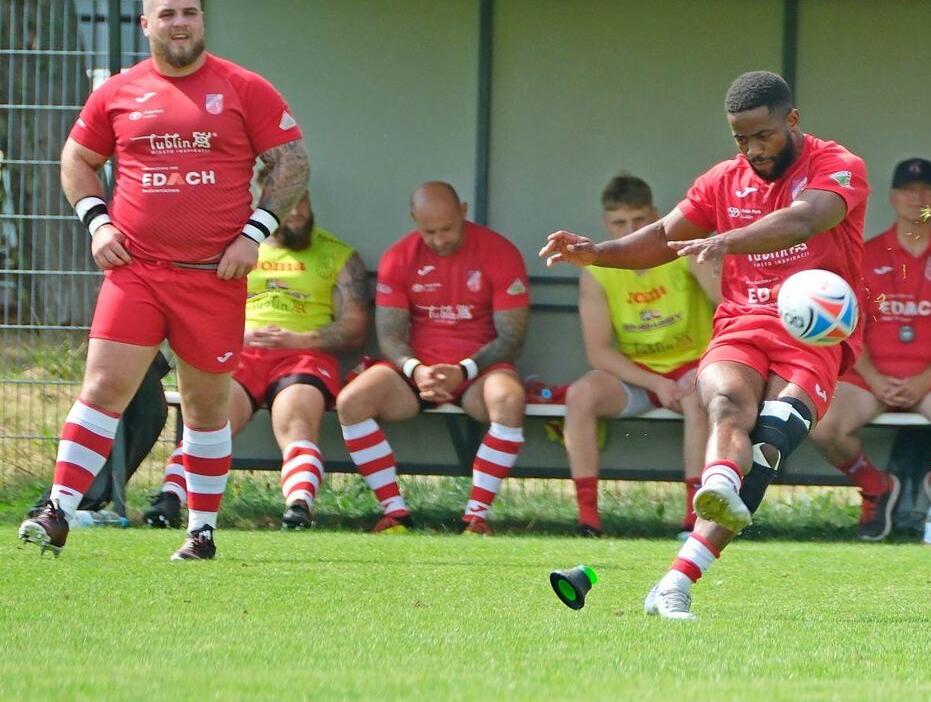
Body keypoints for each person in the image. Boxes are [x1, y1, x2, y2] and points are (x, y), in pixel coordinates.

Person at [542, 71, 869, 620]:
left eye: (762, 136)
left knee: (772, 440)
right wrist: (597, 252)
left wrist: (725, 240)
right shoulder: (723, 180)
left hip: (813, 336)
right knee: (724, 403)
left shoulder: (838, 165)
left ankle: (676, 577)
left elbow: (806, 219)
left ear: (792, 121)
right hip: (742, 321)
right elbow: (663, 236)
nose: (751, 150)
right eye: (739, 139)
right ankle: (710, 502)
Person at [18, 0, 309, 560]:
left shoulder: (244, 87)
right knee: (102, 388)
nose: (182, 23)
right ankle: (57, 510)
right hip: (139, 271)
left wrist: (254, 234)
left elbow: (293, 164)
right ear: (146, 26)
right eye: (169, 14)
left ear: (203, 21)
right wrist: (98, 222)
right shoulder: (120, 92)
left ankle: (200, 532)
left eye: (191, 14)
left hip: (214, 277)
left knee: (203, 406)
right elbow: (77, 158)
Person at [144, 193, 369, 531]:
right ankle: (169, 498)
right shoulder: (239, 248)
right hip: (242, 351)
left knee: (295, 420)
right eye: (286, 205)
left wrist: (300, 339)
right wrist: (237, 334)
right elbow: (201, 305)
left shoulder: (337, 254)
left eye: (303, 202)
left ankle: (298, 505)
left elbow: (355, 327)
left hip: (303, 354)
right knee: (211, 419)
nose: (296, 213)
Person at [335, 182, 530, 535]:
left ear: (464, 211)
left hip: (479, 371)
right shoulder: (399, 256)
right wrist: (418, 370)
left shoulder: (500, 252)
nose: (439, 240)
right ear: (414, 220)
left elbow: (513, 338)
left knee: (510, 400)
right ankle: (395, 513)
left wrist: (463, 370)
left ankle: (475, 517)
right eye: (429, 231)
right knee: (351, 401)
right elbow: (390, 337)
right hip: (416, 372)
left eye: (447, 229)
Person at [810, 158, 931, 541]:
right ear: (891, 197)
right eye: (908, 190)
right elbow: (846, 327)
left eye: (925, 190)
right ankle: (877, 488)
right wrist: (874, 378)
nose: (916, 198)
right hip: (871, 373)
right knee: (823, 427)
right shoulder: (866, 254)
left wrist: (923, 382)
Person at [564, 173, 721, 537]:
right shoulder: (596, 270)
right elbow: (598, 352)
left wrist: (703, 367)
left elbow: (732, 309)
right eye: (620, 223)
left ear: (656, 215)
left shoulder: (684, 251)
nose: (630, 230)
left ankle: (694, 518)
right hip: (639, 373)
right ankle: (587, 519)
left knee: (699, 400)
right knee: (580, 396)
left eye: (639, 221)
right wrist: (655, 382)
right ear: (606, 223)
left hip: (693, 366)